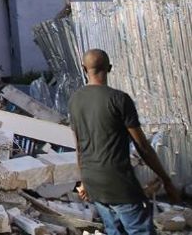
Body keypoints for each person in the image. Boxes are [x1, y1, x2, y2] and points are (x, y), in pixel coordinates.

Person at [69, 49, 180, 235]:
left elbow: (79, 147)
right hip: (119, 184)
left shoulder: (75, 100)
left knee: (114, 231)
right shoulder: (119, 99)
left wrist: (84, 180)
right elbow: (143, 147)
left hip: (93, 182)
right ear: (109, 68)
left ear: (83, 68)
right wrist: (166, 180)